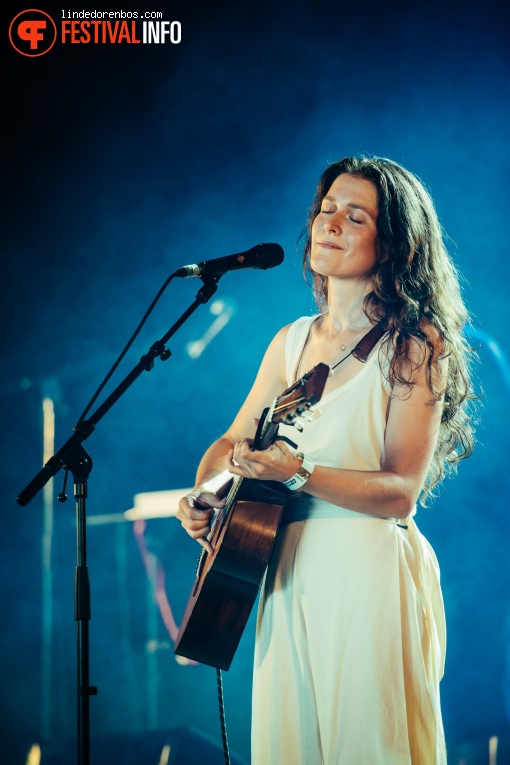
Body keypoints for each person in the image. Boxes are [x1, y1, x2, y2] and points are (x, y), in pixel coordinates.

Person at [176, 155, 475, 764]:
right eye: (326, 208)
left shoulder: (415, 342)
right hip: (280, 564)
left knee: (369, 745)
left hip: (365, 565)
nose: (329, 223)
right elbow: (226, 446)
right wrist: (204, 496)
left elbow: (401, 492)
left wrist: (297, 472)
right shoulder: (290, 340)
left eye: (354, 215)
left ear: (391, 243)